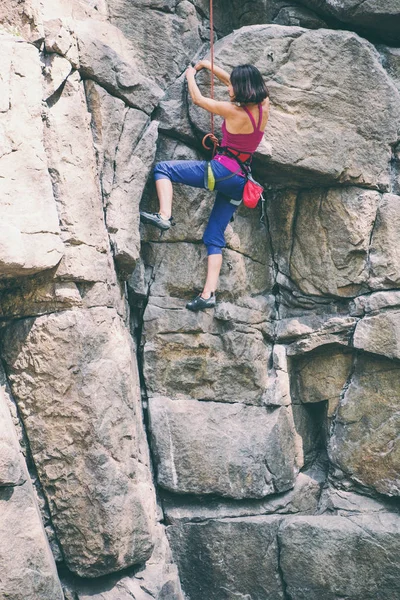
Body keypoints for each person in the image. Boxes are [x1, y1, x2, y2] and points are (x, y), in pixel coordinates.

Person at [140, 61, 270, 311]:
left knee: (162, 169)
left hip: (221, 173)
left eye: (233, 85)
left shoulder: (232, 111)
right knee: (213, 236)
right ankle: (208, 294)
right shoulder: (265, 108)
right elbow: (234, 84)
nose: (229, 88)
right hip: (240, 183)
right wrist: (208, 67)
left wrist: (191, 75)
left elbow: (198, 99)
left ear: (241, 89)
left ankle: (165, 215)